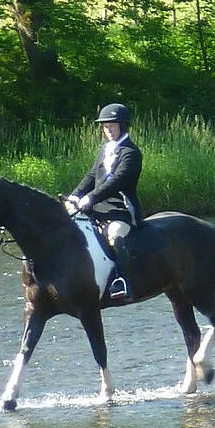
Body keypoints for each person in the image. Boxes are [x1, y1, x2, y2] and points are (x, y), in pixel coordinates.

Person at [64, 102, 141, 303]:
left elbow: (117, 182)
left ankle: (122, 280)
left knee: (114, 236)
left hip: (119, 209)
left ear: (123, 126)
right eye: (105, 127)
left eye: (112, 126)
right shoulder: (105, 149)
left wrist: (90, 197)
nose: (108, 130)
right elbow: (92, 176)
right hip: (96, 208)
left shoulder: (131, 153)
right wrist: (75, 195)